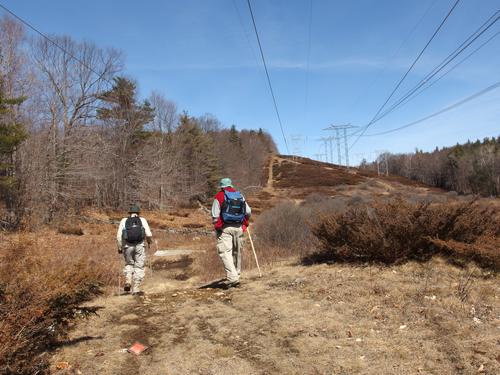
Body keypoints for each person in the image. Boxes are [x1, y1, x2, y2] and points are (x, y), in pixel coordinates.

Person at [211, 178, 251, 288]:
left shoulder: (219, 196)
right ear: (231, 185)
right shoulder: (239, 195)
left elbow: (215, 215)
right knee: (237, 252)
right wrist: (245, 223)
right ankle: (236, 276)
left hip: (225, 228)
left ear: (221, 186)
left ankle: (232, 278)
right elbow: (248, 211)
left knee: (225, 252)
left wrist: (217, 226)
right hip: (238, 227)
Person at [116, 204, 153, 295]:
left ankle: (128, 281)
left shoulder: (124, 220)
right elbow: (148, 234)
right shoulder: (142, 220)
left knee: (129, 264)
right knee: (139, 266)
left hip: (127, 246)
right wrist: (149, 242)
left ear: (130, 213)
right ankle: (136, 289)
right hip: (140, 245)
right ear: (138, 212)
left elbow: (118, 237)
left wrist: (120, 247)